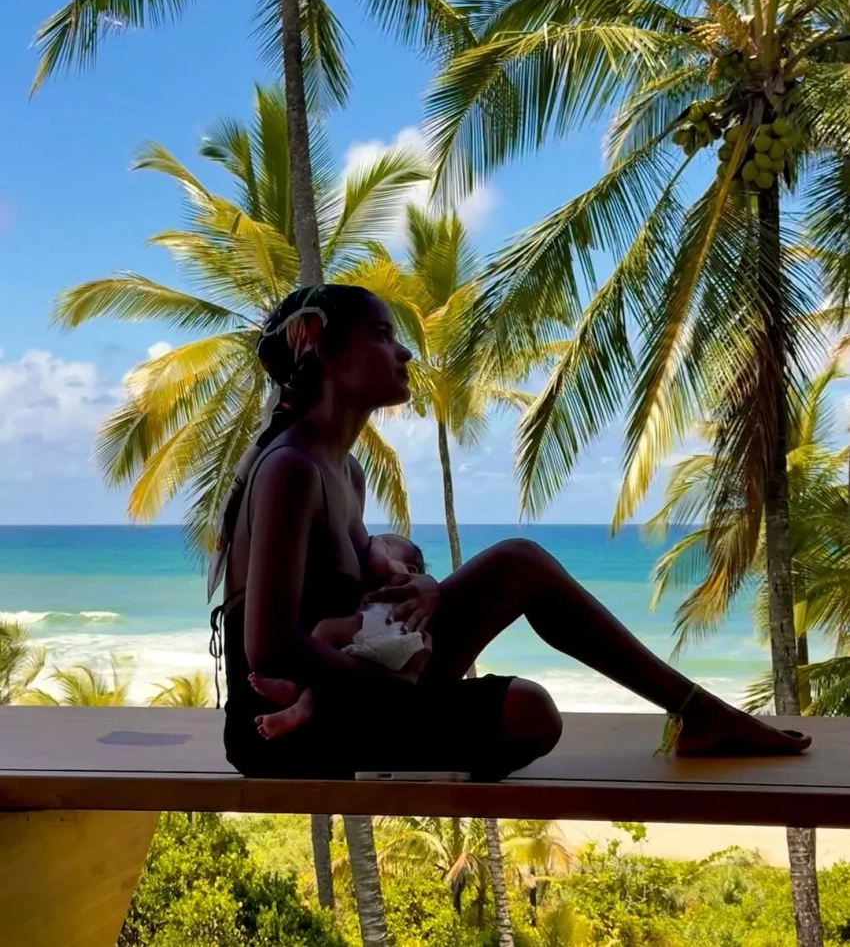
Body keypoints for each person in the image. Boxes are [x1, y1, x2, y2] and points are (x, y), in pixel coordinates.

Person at [211, 284, 810, 783]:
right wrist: (398, 692)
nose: (404, 353)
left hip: (358, 688)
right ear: (326, 350)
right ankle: (699, 714)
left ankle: (696, 711)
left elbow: (347, 584)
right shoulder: (290, 468)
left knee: (518, 563)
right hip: (281, 726)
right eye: (383, 335)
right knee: (529, 713)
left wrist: (426, 589)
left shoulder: (345, 470)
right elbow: (270, 648)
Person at [251, 533, 432, 739]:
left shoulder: (404, 577)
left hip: (389, 625)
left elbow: (380, 561)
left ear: (411, 570)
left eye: (388, 543)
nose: (377, 543)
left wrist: (375, 541)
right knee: (331, 675)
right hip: (391, 639)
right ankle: (303, 705)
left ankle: (296, 688)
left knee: (326, 630)